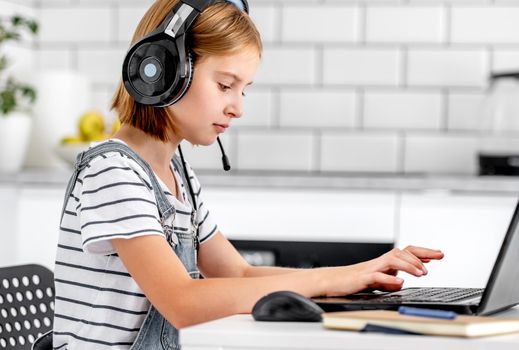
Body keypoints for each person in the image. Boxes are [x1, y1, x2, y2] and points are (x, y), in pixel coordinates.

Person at [51, 0, 444, 349]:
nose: (237, 108)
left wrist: (355, 274)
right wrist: (328, 283)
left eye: (245, 90)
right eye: (225, 85)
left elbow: (236, 272)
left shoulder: (177, 172)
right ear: (163, 72)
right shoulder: (114, 172)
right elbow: (183, 302)